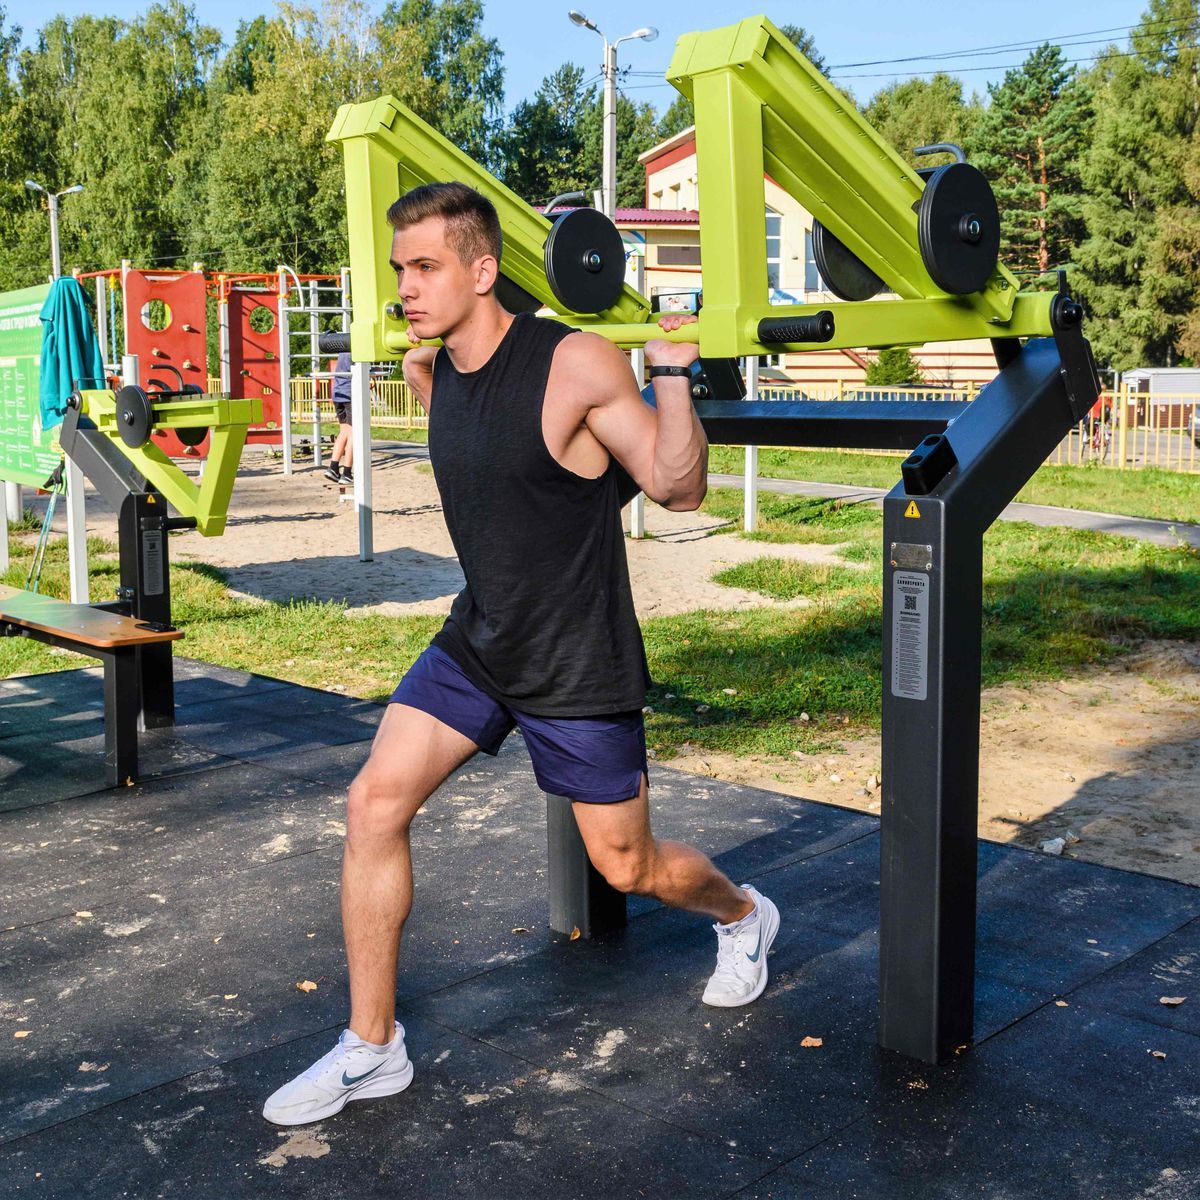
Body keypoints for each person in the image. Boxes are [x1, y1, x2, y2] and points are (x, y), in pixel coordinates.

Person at [262, 182, 780, 1127]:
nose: (406, 288)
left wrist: (670, 375)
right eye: (400, 269)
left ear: (483, 270)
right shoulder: (432, 370)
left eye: (426, 267)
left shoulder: (574, 362)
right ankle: (372, 1047)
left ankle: (744, 915)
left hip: (577, 662)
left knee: (628, 867)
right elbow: (484, 449)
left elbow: (678, 489)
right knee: (373, 803)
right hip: (481, 642)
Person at [323, 351, 354, 485]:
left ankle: (333, 467)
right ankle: (347, 472)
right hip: (350, 394)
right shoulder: (357, 350)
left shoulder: (343, 351)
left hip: (338, 393)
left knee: (344, 431)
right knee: (354, 434)